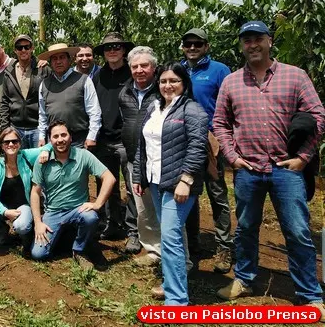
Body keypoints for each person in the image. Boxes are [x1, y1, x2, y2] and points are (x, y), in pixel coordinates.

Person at [213, 21, 325, 319]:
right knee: (246, 227)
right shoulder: (232, 82)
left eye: (258, 39)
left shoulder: (295, 76)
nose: (252, 45)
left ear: (269, 41)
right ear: (242, 45)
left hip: (286, 168)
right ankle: (245, 279)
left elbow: (317, 115)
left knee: (298, 230)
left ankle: (309, 294)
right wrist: (232, 156)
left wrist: (303, 156)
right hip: (248, 169)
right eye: (247, 40)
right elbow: (221, 123)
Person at [133, 62, 208, 306]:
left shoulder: (192, 110)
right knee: (168, 234)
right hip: (155, 181)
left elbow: (198, 147)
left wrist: (186, 180)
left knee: (171, 236)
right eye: (164, 81)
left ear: (184, 83)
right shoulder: (154, 108)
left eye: (174, 81)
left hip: (178, 184)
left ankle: (177, 299)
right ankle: (170, 283)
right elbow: (142, 146)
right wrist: (139, 176)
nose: (168, 86)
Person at [179, 28, 233, 273]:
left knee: (217, 193)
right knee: (187, 192)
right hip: (183, 140)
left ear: (206, 46)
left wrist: (224, 137)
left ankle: (224, 246)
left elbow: (229, 105)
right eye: (188, 44)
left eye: (197, 44)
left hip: (211, 141)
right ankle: (193, 242)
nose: (192, 48)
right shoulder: (179, 69)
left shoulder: (220, 71)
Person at [30, 121, 116, 268]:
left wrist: (97, 204)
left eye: (64, 135)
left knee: (90, 217)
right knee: (39, 254)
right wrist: (38, 222)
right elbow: (35, 192)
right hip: (53, 212)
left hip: (78, 210)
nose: (60, 139)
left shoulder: (83, 155)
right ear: (50, 140)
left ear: (70, 137)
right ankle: (68, 239)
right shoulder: (42, 161)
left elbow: (109, 178)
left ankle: (79, 250)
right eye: (55, 136)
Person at [91, 33, 135, 250]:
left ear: (124, 49)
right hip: (104, 139)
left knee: (132, 186)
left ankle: (133, 231)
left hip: (127, 139)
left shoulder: (133, 72)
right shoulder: (98, 76)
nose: (112, 50)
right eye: (108, 47)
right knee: (107, 185)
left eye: (116, 46)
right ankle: (112, 224)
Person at [118, 46, 162, 264]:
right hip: (135, 157)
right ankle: (153, 249)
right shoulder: (125, 92)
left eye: (144, 65)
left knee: (164, 206)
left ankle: (176, 252)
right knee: (143, 206)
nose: (139, 70)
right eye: (135, 66)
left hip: (159, 159)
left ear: (154, 67)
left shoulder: (163, 90)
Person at [0, 127, 50, 254]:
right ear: (1, 145)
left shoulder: (26, 156)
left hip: (23, 205)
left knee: (21, 226)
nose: (11, 144)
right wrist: (5, 212)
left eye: (14, 141)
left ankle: (25, 237)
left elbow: (51, 145)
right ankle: (2, 235)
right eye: (6, 142)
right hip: (2, 205)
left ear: (19, 143)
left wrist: (45, 150)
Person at [37, 43, 102, 149]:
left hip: (79, 141)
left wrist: (91, 137)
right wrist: (41, 137)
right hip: (54, 141)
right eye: (54, 59)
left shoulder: (83, 80)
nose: (58, 61)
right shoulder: (44, 84)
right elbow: (42, 114)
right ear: (50, 62)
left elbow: (94, 111)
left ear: (69, 59)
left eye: (62, 57)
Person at [0, 34, 50, 149]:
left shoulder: (42, 69)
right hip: (15, 128)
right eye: (19, 47)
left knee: (38, 163)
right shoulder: (9, 72)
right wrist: (5, 129)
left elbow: (51, 98)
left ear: (32, 48)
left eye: (26, 47)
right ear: (15, 50)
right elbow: (4, 101)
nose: (23, 50)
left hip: (37, 128)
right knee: (19, 162)